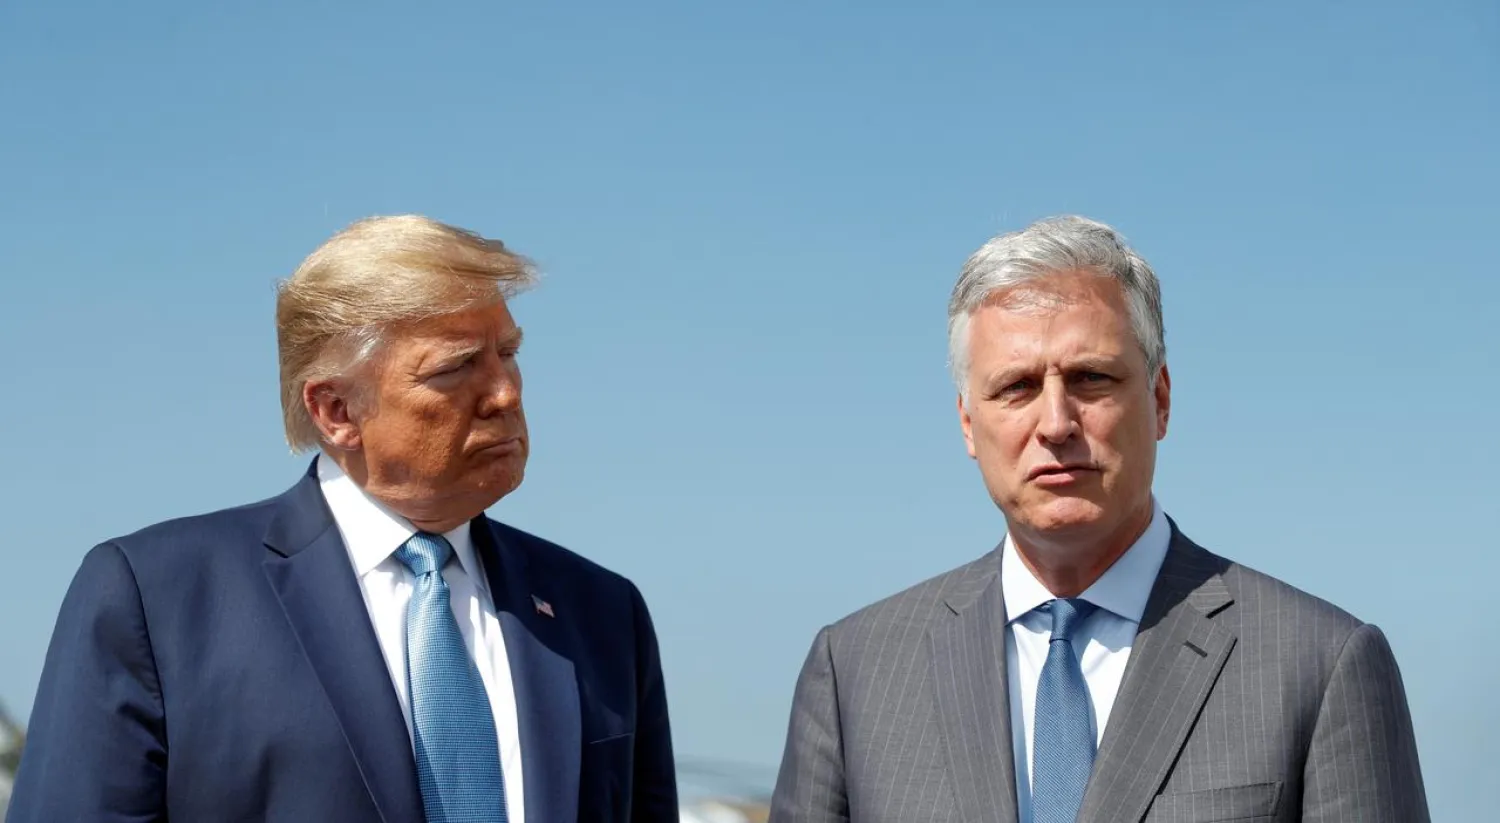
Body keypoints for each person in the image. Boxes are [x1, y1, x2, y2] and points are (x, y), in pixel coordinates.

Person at [10, 216, 678, 822]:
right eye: (457, 367)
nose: (505, 392)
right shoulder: (157, 599)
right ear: (336, 411)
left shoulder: (602, 613)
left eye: (509, 353)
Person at [769, 216, 1428, 823]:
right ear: (969, 424)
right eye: (1017, 387)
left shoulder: (1318, 665)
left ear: (1160, 400)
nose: (1056, 424)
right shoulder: (856, 671)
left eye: (1089, 378)